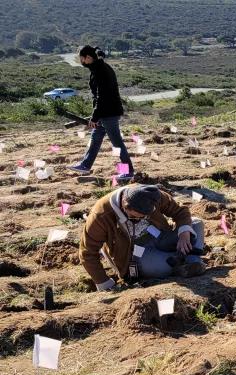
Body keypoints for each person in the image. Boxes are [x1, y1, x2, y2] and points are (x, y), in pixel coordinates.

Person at [79, 185, 206, 291]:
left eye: (146, 216)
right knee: (163, 265)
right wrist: (104, 283)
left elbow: (180, 212)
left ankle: (192, 261)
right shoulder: (100, 215)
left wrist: (184, 234)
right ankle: (180, 264)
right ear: (124, 206)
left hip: (161, 236)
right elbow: (87, 252)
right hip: (137, 254)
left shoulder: (150, 194)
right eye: (135, 217)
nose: (141, 219)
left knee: (196, 224)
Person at [68, 45, 134, 181]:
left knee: (117, 143)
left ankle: (127, 172)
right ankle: (85, 165)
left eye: (82, 59)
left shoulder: (100, 71)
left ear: (88, 57)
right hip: (106, 111)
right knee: (95, 139)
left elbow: (101, 96)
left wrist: (94, 117)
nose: (82, 62)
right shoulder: (98, 67)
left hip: (108, 112)